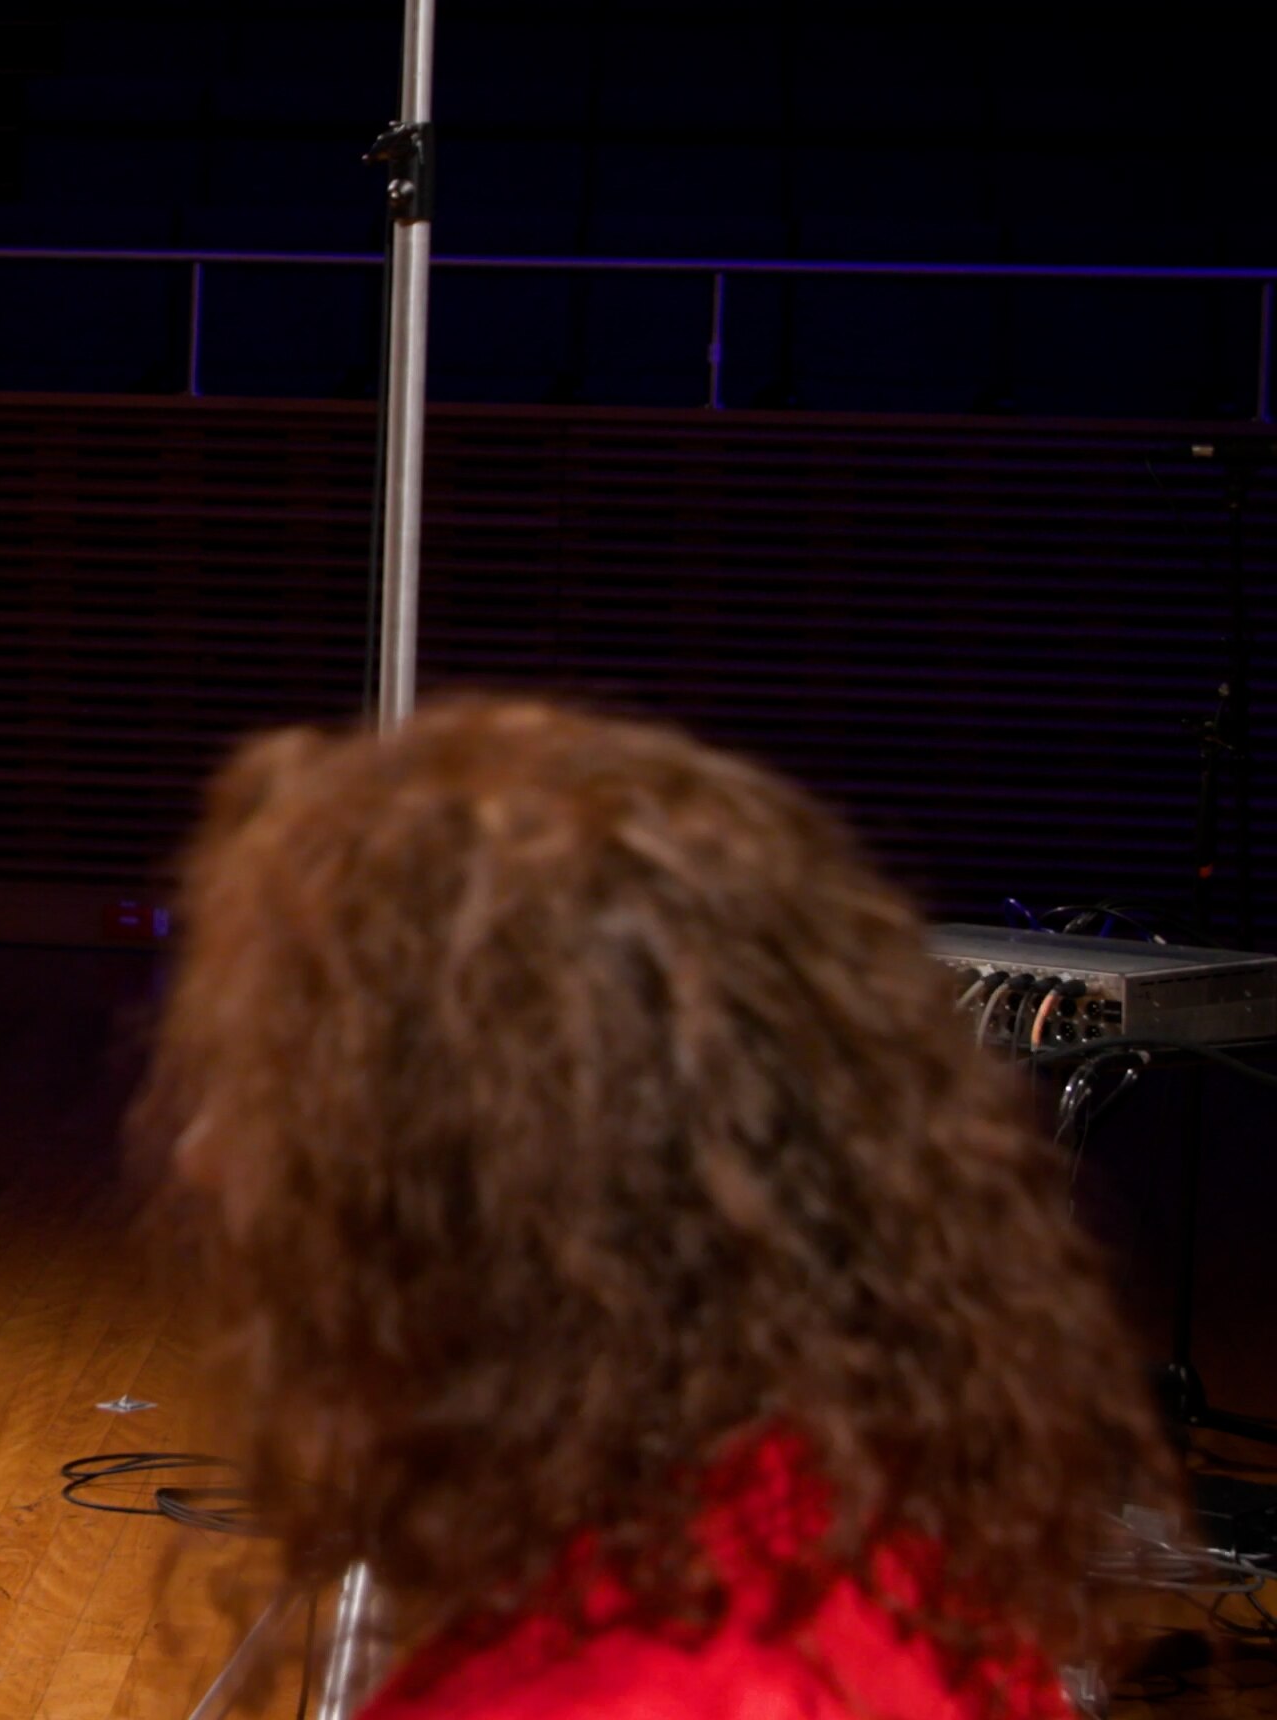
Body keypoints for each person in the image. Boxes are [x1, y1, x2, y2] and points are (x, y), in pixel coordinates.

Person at [138, 697, 1177, 1719]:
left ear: (490, 1186)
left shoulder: (596, 1688)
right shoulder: (850, 1537)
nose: (201, 1157)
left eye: (271, 1097)